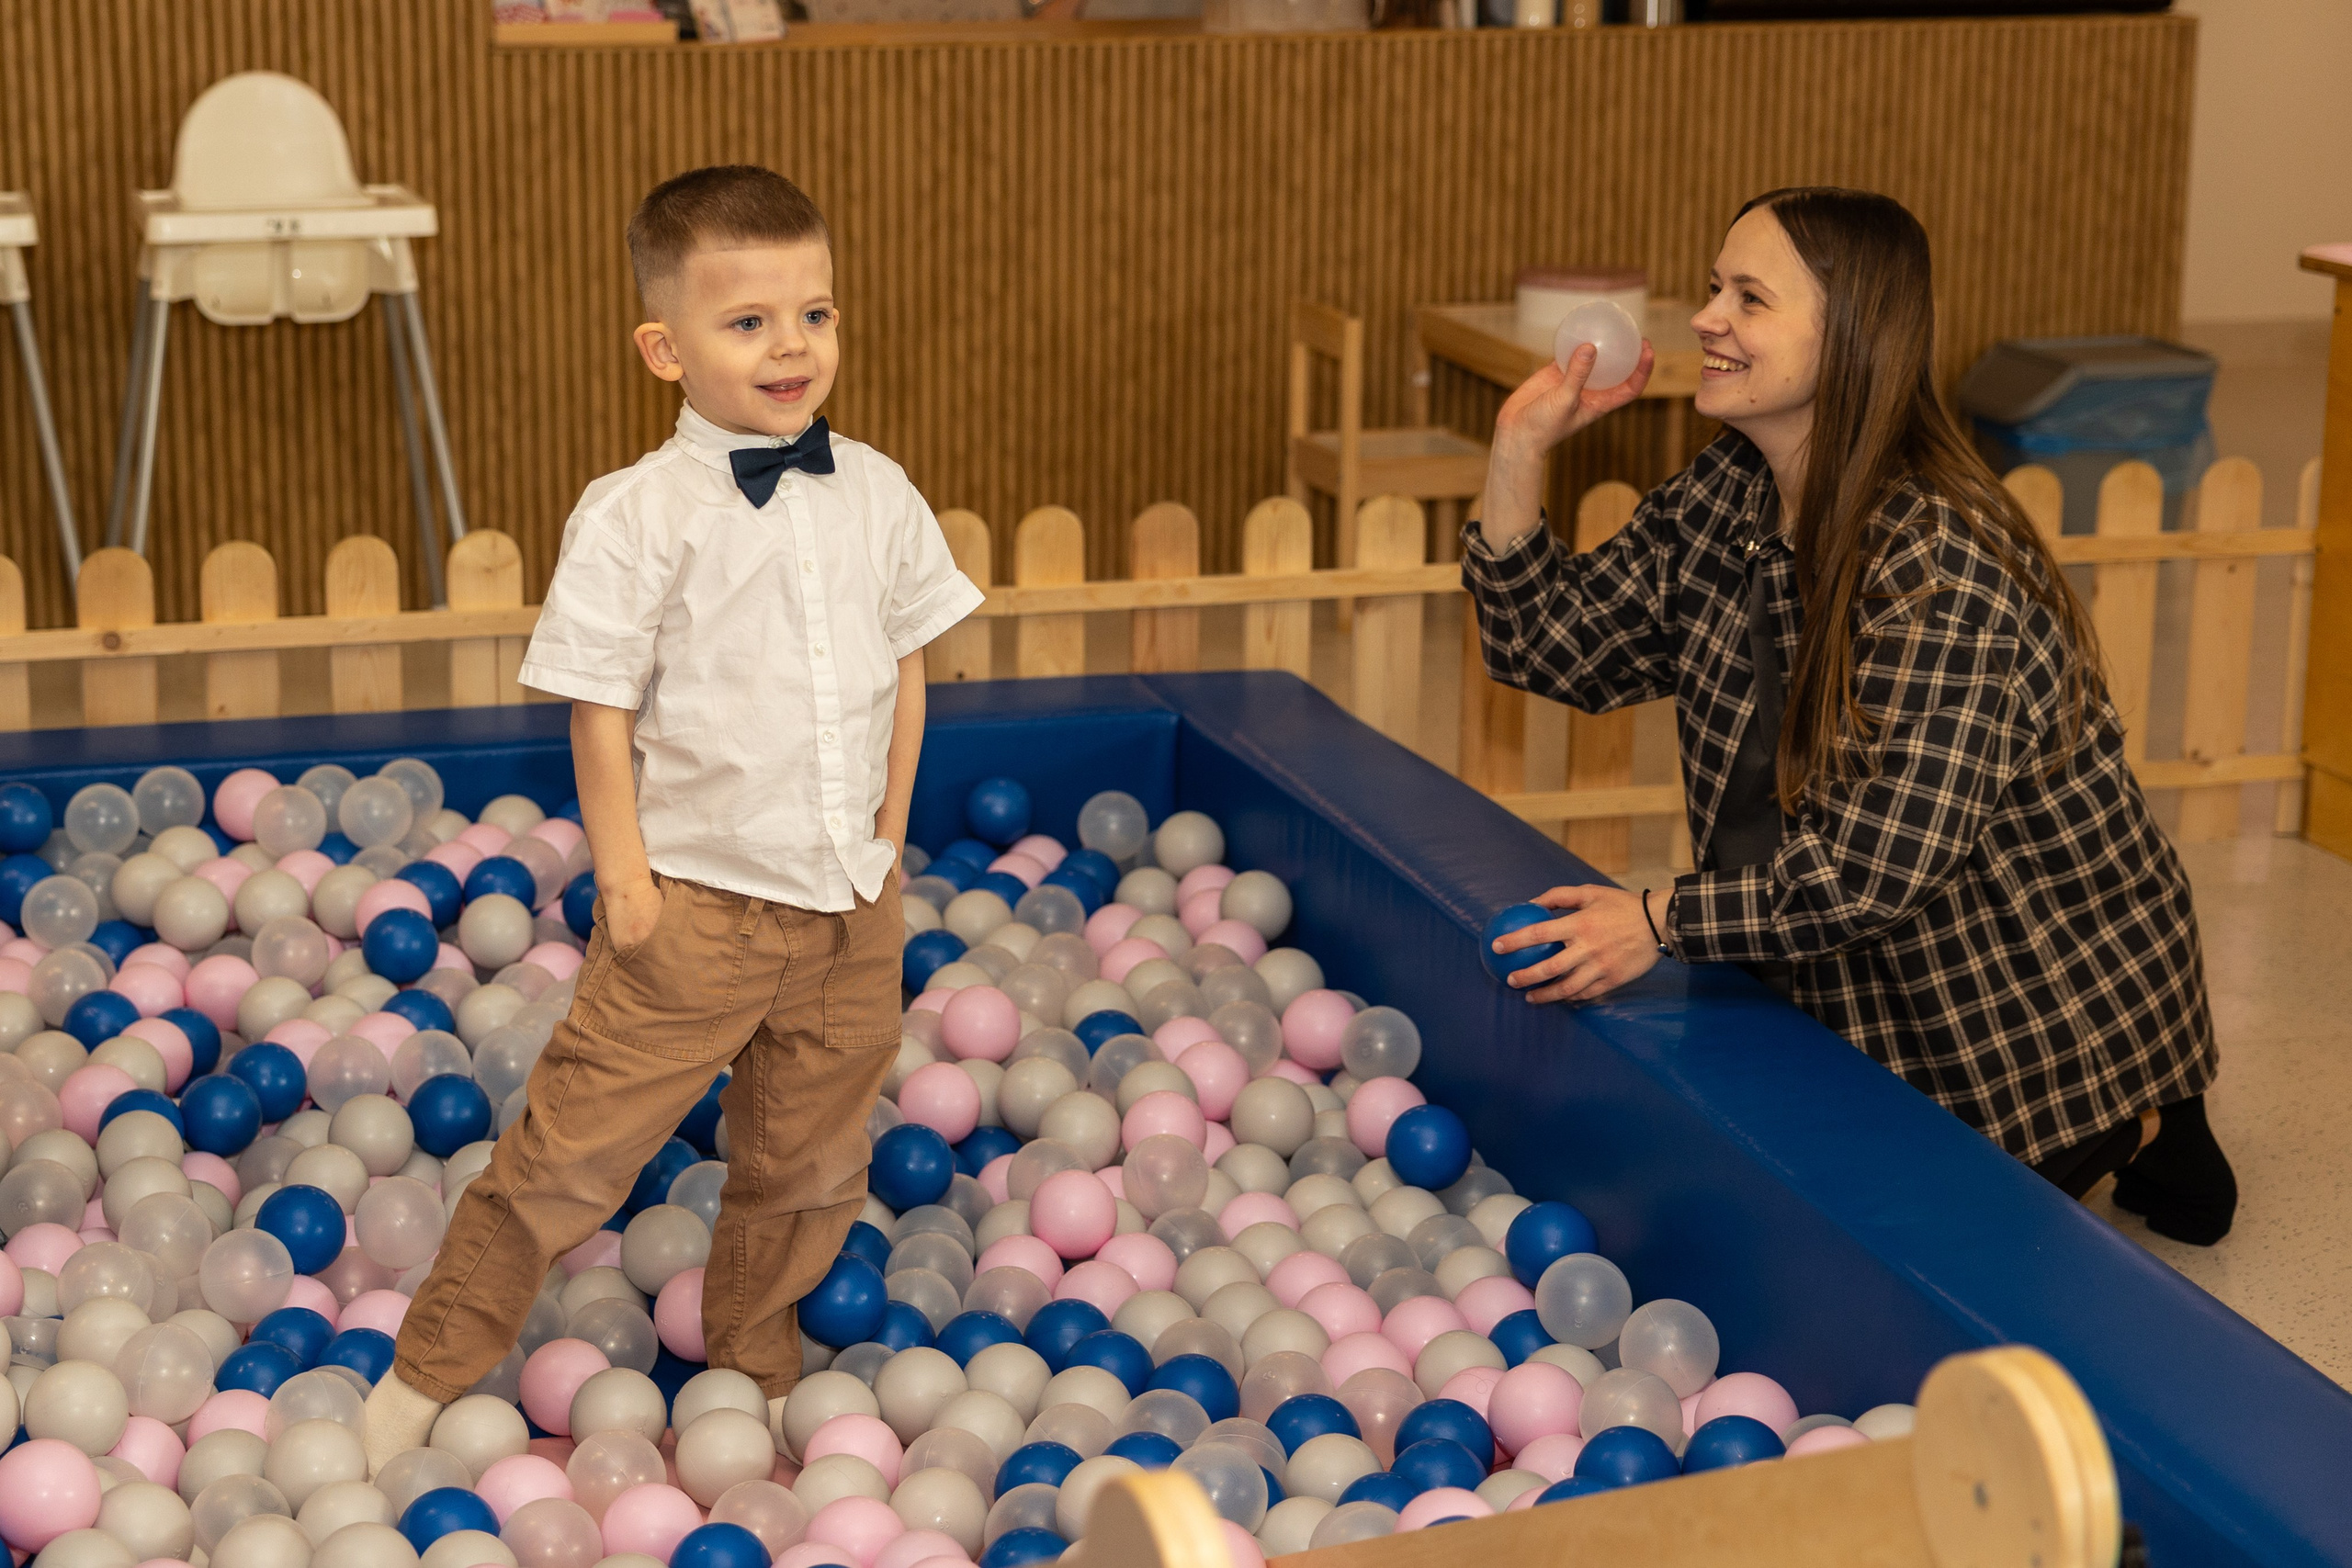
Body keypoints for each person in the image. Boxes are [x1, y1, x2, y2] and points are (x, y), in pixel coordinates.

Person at [362, 165, 984, 1470]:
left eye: (813, 313)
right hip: (696, 904)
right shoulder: (638, 511)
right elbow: (597, 706)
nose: (791, 346)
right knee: (570, 1157)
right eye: (747, 321)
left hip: (847, 901)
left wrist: (889, 834)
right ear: (665, 347)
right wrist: (627, 881)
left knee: (808, 1161)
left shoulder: (875, 486)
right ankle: (420, 1379)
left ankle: (754, 1366)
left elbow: (909, 660)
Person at [1470, 187, 2235, 1244]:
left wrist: (1653, 922)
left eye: (1749, 297)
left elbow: (1873, 874)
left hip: (2023, 1011)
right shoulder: (1728, 490)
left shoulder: (1938, 566)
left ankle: (2147, 1118)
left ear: (1851, 338)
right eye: (1711, 288)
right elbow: (1551, 643)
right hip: (1836, 975)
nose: (1704, 319)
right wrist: (1518, 448)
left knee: (1913, 1253)